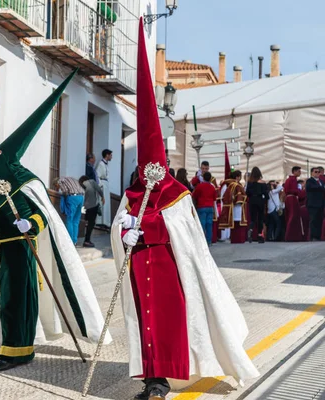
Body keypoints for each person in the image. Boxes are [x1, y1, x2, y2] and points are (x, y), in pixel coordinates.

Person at [111, 20, 259, 399]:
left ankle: (165, 378)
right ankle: (150, 378)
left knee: (170, 324)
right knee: (144, 326)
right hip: (139, 273)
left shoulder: (176, 192)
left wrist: (149, 230)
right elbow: (118, 231)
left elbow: (184, 236)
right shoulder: (132, 193)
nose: (147, 174)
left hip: (167, 272)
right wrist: (123, 230)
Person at [0, 70, 109, 373]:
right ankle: (9, 347)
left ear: (7, 161)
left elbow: (42, 215)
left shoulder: (26, 182)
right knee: (3, 303)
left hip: (21, 251)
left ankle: (19, 352)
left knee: (18, 303)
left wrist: (30, 225)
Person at [219, 170, 249, 244]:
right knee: (237, 223)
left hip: (227, 205)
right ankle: (237, 239)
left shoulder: (226, 184)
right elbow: (240, 198)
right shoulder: (236, 185)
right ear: (237, 177)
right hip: (236, 207)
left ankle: (228, 237)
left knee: (232, 223)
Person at [53, 176, 85, 245]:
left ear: (56, 183)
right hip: (81, 197)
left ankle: (69, 241)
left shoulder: (60, 180)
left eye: (56, 186)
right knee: (76, 221)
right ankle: (74, 241)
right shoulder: (71, 178)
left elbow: (65, 191)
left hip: (73, 198)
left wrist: (63, 198)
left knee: (69, 220)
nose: (58, 188)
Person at [192, 172, 217, 245]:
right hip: (210, 207)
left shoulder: (200, 186)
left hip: (202, 206)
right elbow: (214, 198)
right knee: (209, 225)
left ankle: (202, 242)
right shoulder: (212, 187)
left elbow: (195, 195)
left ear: (203, 178)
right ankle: (209, 241)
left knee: (202, 224)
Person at [246, 167, 269, 244]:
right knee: (260, 219)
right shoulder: (262, 183)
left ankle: (251, 229)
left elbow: (247, 193)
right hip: (260, 201)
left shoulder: (250, 182)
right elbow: (266, 194)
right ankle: (260, 236)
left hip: (252, 201)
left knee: (253, 219)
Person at [80, 175, 104, 248]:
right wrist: (103, 197)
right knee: (91, 224)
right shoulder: (92, 182)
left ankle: (86, 240)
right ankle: (87, 241)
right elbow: (99, 190)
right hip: (93, 206)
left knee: (86, 223)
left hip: (85, 207)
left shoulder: (81, 185)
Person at [283, 166, 304, 242]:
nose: (300, 172)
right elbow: (289, 190)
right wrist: (299, 191)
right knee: (293, 216)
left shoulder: (292, 179)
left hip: (291, 198)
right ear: (294, 171)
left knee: (293, 216)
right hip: (292, 198)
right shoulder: (291, 180)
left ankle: (293, 235)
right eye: (298, 171)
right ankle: (290, 235)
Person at [305, 167, 324, 241]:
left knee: (319, 220)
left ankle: (318, 236)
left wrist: (320, 187)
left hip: (321, 203)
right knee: (313, 220)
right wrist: (320, 187)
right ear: (312, 173)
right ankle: (313, 236)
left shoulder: (321, 181)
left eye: (318, 172)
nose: (317, 173)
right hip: (313, 204)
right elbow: (311, 187)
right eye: (315, 172)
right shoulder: (309, 181)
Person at [95, 149, 112, 228]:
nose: (111, 157)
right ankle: (100, 221)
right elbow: (97, 175)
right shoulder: (101, 164)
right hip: (102, 184)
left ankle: (106, 222)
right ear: (107, 155)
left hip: (106, 184)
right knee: (102, 202)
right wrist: (100, 185)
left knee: (106, 203)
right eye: (110, 155)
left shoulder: (106, 164)